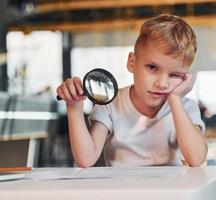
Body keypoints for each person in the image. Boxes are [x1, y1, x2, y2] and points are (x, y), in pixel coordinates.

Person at [56, 14, 207, 167]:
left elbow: (196, 159)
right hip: (121, 189)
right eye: (152, 67)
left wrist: (174, 99)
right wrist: (74, 108)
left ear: (185, 78)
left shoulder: (186, 107)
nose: (162, 84)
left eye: (174, 75)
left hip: (169, 190)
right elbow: (85, 159)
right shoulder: (110, 104)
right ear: (132, 63)